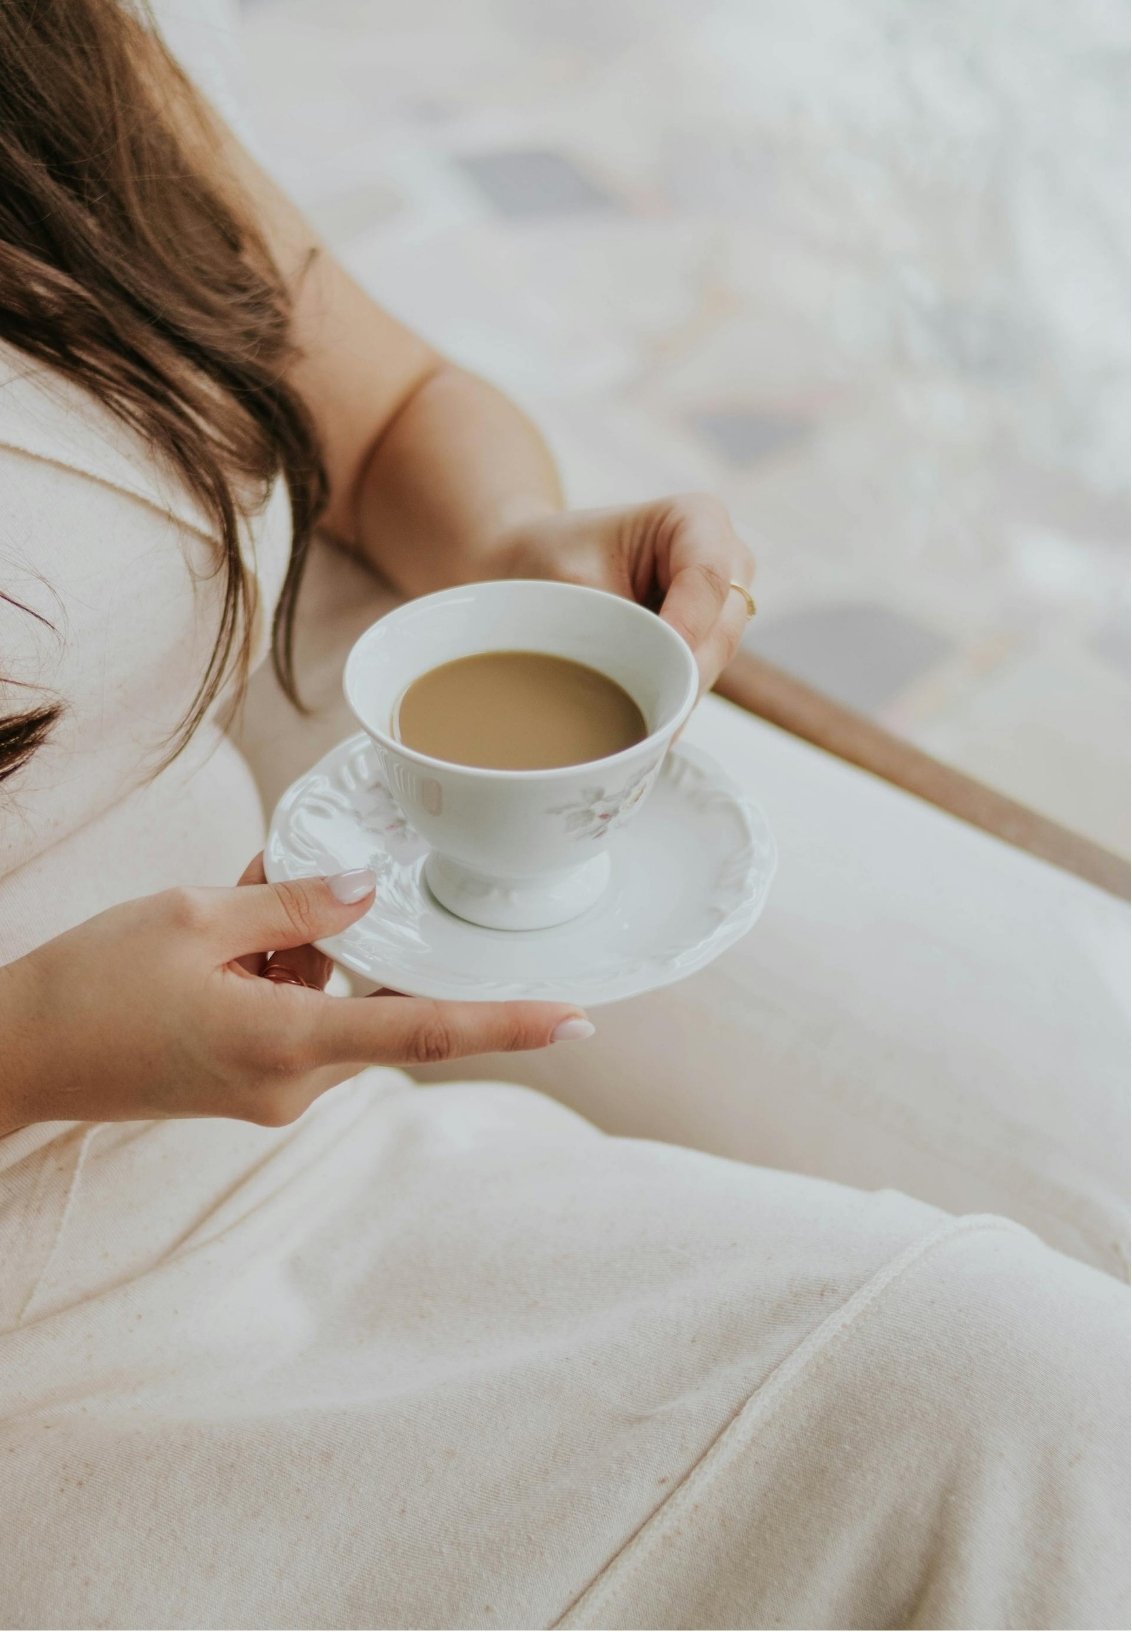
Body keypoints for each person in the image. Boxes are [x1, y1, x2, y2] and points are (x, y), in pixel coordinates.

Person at [0, 3, 1126, 1627]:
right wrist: (37, 1042)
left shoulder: (55, 51)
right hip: (50, 1378)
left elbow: (378, 407)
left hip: (296, 1190)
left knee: (1044, 1413)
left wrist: (517, 549)